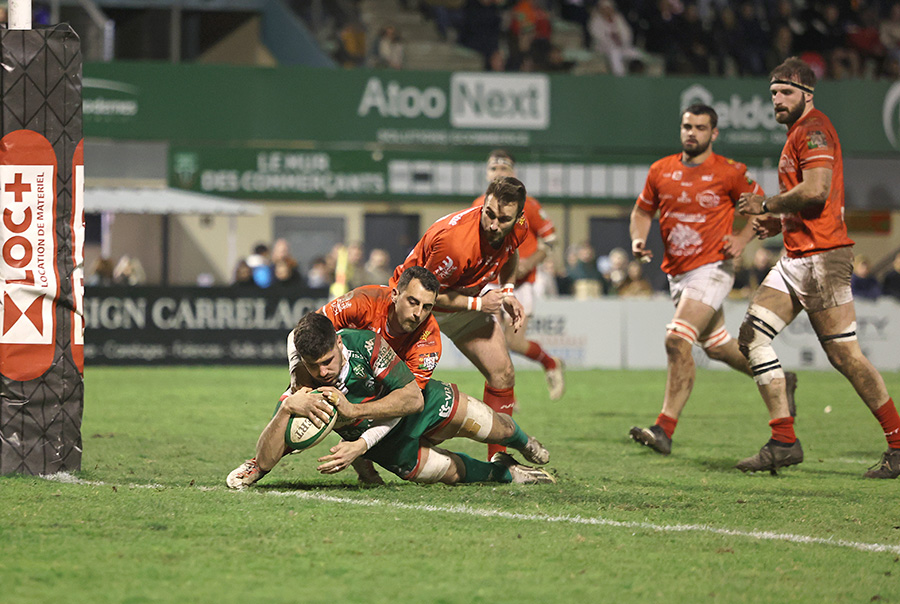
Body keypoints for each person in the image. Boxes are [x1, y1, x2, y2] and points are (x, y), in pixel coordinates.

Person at [735, 57, 900, 478]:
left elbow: (817, 190)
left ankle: (899, 445)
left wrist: (767, 204)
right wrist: (779, 221)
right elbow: (809, 201)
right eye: (773, 92)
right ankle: (784, 440)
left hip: (823, 258)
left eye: (785, 91)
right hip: (797, 257)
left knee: (845, 356)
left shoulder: (814, 130)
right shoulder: (798, 133)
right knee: (753, 336)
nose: (777, 99)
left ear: (808, 94)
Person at [629, 103, 797, 456]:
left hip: (712, 269)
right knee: (718, 346)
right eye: (687, 126)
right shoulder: (660, 170)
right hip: (677, 273)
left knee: (677, 340)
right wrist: (638, 239)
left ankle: (664, 428)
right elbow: (643, 211)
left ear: (713, 133)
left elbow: (761, 206)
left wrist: (741, 239)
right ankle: (779, 380)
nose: (692, 132)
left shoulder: (730, 172)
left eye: (700, 128)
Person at [226, 313, 554, 488]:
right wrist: (285, 408)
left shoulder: (366, 346)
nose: (323, 372)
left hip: (423, 406)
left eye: (328, 361)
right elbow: (265, 461)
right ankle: (508, 473)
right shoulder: (303, 390)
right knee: (451, 474)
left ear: (338, 345)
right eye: (314, 366)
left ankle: (523, 442)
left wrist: (356, 420)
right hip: (386, 446)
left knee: (495, 427)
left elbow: (410, 399)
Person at [391, 176, 528, 460]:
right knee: (390, 384)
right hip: (418, 307)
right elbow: (427, 293)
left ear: (518, 218)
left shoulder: (520, 228)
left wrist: (509, 291)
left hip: (465, 302)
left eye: (503, 219)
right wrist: (479, 303)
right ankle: (366, 459)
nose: (493, 224)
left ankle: (499, 458)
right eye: (489, 214)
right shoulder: (454, 242)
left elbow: (510, 253)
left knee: (503, 373)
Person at [470, 150, 565, 400]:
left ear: (513, 173)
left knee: (513, 342)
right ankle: (503, 395)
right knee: (491, 345)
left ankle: (549, 363)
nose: (498, 174)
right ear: (487, 174)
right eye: (494, 170)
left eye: (504, 170)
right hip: (490, 283)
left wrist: (530, 262)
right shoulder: (478, 204)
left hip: (521, 283)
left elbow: (551, 239)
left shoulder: (528, 205)